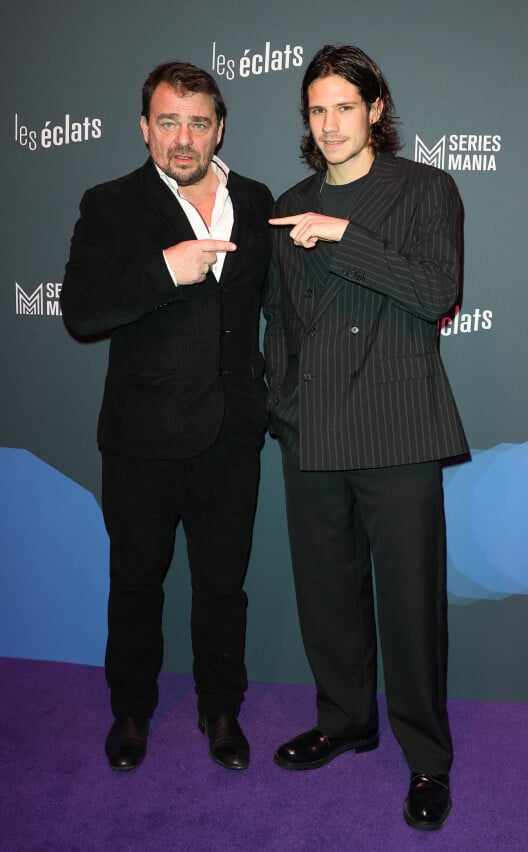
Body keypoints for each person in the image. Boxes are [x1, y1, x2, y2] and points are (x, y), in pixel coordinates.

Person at [263, 45, 468, 830]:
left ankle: (426, 761)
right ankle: (345, 718)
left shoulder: (426, 189)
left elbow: (434, 290)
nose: (330, 123)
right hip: (311, 430)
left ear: (376, 111)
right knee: (326, 596)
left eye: (345, 106)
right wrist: (281, 404)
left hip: (396, 428)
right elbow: (278, 318)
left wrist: (342, 233)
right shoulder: (289, 200)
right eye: (317, 109)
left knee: (410, 607)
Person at [61, 62, 272, 773]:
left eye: (199, 122)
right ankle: (131, 710)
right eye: (169, 121)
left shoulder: (255, 198)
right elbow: (82, 312)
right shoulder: (110, 202)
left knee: (222, 587)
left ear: (220, 127)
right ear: (145, 127)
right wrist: (164, 269)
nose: (184, 139)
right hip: (142, 441)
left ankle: (221, 709)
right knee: (136, 584)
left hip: (232, 436)